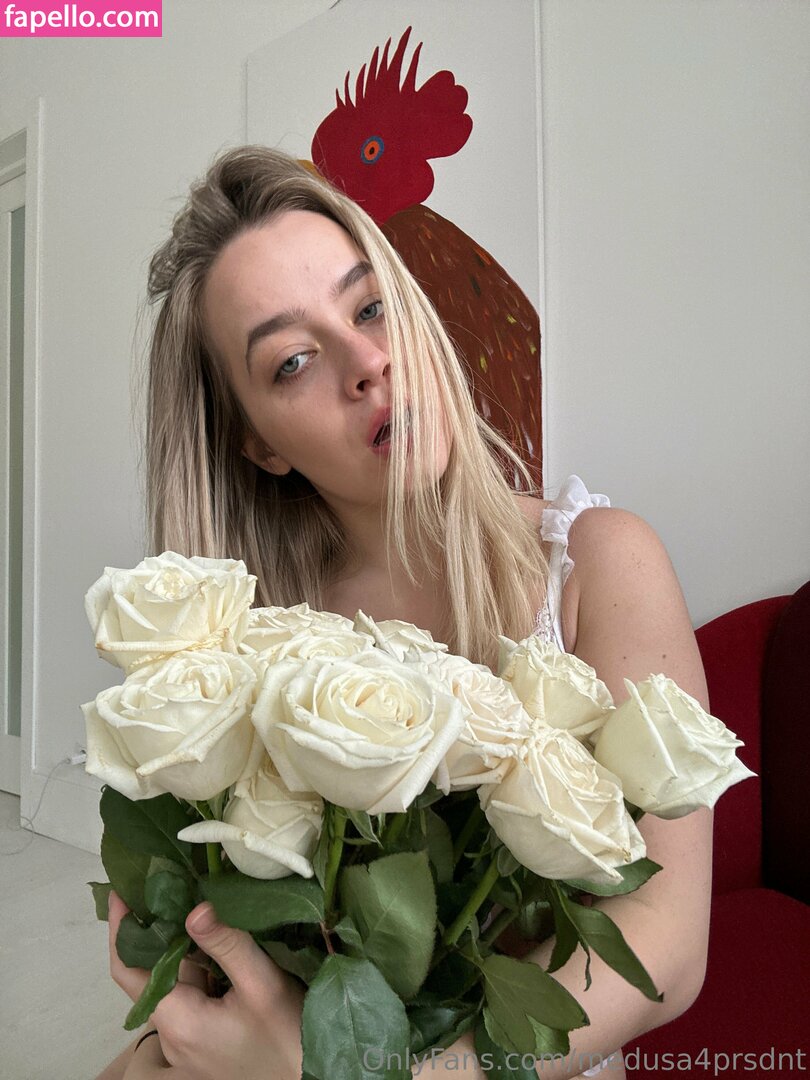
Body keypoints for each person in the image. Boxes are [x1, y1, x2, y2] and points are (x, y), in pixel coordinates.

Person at [96, 146, 712, 1080]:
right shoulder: (248, 645)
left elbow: (667, 942)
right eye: (293, 360)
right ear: (259, 444)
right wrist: (173, 1020)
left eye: (370, 306)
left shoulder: (597, 562)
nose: (367, 362)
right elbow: (227, 966)